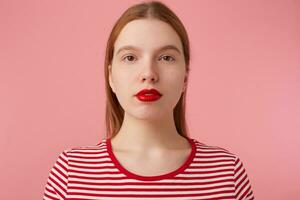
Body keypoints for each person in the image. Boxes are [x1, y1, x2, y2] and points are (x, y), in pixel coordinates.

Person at [43, 1, 255, 199]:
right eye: (130, 57)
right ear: (111, 76)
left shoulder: (227, 173)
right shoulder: (70, 172)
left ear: (185, 77)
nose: (149, 73)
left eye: (166, 57)